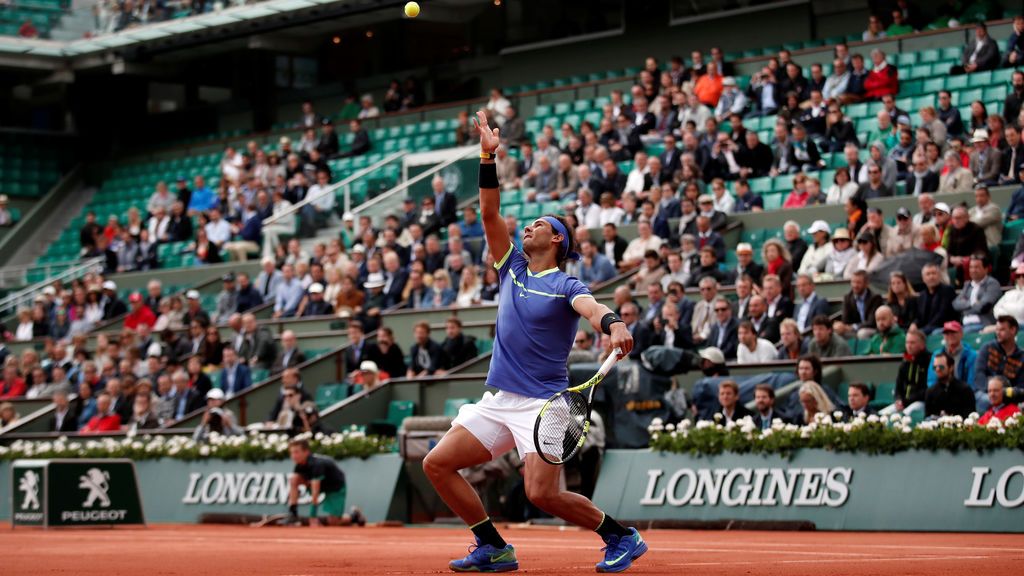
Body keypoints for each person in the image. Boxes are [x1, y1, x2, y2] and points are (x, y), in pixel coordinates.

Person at [422, 111, 644, 574]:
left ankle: (620, 535)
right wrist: (488, 155)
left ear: (558, 240)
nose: (528, 227)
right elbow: (488, 212)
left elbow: (592, 309)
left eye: (539, 225)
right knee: (437, 464)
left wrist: (614, 324)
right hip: (501, 399)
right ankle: (492, 546)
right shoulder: (512, 267)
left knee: (542, 494)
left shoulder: (566, 285)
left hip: (546, 405)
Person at [973, 316, 1024, 395]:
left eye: (1002, 329)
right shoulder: (987, 348)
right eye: (997, 329)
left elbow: (1021, 386)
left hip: (1009, 396)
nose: (998, 332)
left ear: (1013, 330)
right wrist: (992, 391)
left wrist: (1003, 394)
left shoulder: (1021, 357)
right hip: (985, 393)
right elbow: (979, 375)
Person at [953, 255, 1002, 333]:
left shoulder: (992, 284)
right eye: (971, 267)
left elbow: (983, 307)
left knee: (963, 333)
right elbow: (955, 304)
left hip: (983, 323)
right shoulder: (967, 285)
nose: (973, 270)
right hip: (964, 324)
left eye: (976, 267)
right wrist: (972, 303)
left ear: (986, 269)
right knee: (939, 333)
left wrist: (965, 309)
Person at [925, 351, 976, 419]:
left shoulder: (965, 390)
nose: (937, 370)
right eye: (935, 367)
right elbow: (927, 417)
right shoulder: (931, 392)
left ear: (951, 367)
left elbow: (970, 417)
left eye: (941, 367)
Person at [835, 270, 883, 340]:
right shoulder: (848, 297)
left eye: (858, 282)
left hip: (872, 329)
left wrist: (852, 327)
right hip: (854, 330)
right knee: (837, 333)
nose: (855, 285)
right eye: (853, 282)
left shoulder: (875, 298)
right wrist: (840, 326)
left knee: (862, 333)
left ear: (866, 284)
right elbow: (845, 320)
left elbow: (871, 322)